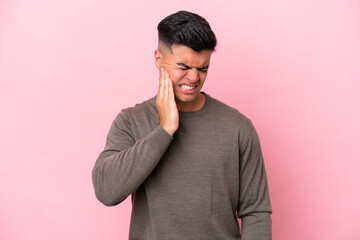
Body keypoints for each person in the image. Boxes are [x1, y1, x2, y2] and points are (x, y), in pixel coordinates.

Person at [92, 10, 272, 240]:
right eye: (184, 67)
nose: (194, 78)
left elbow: (256, 211)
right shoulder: (131, 121)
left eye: (203, 68)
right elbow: (107, 191)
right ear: (158, 58)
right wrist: (165, 129)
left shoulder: (238, 127)